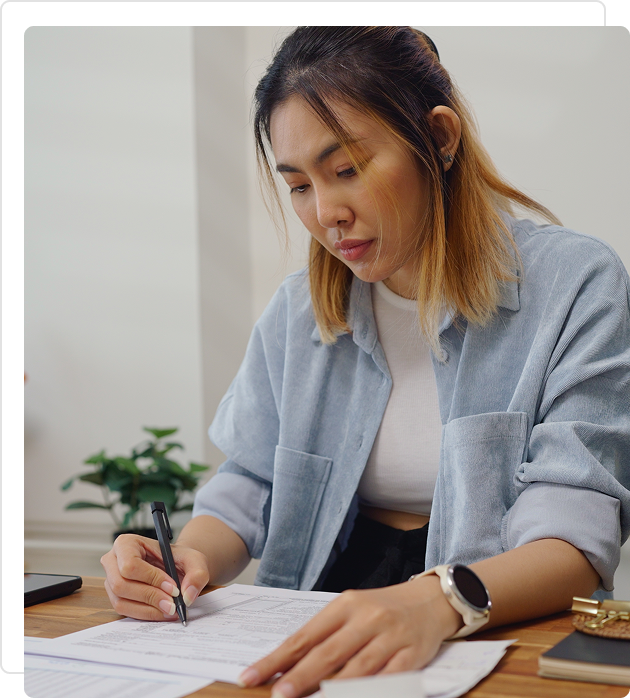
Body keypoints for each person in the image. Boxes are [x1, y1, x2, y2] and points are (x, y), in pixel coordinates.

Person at [101, 26, 630, 698]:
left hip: (489, 621)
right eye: (297, 185)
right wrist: (185, 560)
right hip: (313, 626)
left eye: (346, 169)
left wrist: (437, 600)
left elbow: (573, 542)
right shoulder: (300, 311)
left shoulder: (576, 284)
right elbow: (249, 487)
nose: (325, 214)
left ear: (439, 139)